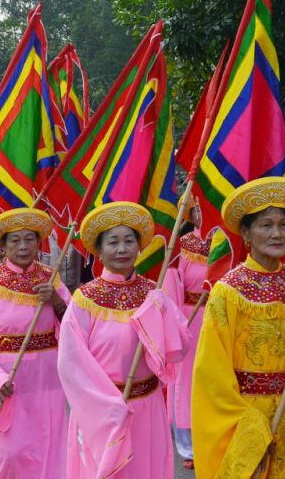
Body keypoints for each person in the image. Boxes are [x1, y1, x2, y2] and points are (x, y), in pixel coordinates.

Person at [192, 177, 285, 478]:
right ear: (246, 233)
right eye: (265, 225)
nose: (277, 233)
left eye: (283, 224)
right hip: (249, 416)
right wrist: (249, 430)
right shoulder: (228, 291)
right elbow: (211, 374)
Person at [57, 201, 191, 478]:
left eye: (129, 241)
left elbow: (178, 348)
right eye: (113, 242)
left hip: (147, 405)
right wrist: (108, 404)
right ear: (99, 252)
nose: (122, 249)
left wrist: (160, 312)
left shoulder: (153, 292)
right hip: (101, 410)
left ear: (139, 247)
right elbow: (71, 364)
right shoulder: (85, 299)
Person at [0, 208, 70, 478]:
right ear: (3, 245)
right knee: (8, 453)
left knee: (48, 443)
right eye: (15, 240)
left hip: (46, 379)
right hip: (6, 378)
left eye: (29, 239)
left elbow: (75, 329)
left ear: (38, 243)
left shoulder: (53, 278)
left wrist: (58, 303)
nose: (23, 246)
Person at [169, 193, 212, 469]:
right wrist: (175, 325)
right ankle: (188, 446)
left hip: (219, 317)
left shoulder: (229, 245)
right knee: (186, 380)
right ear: (192, 215)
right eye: (200, 209)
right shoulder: (183, 245)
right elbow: (174, 285)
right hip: (189, 319)